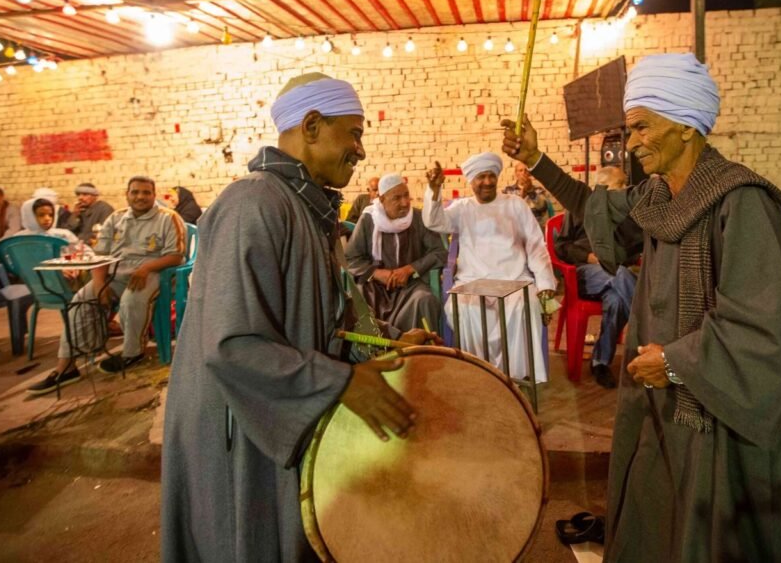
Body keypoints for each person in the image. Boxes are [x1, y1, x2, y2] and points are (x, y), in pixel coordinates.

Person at [502, 52, 781, 562]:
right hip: (662, 399)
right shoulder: (660, 197)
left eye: (641, 128)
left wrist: (675, 362)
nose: (631, 143)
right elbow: (597, 210)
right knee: (661, 513)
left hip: (718, 409)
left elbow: (768, 330)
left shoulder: (741, 202)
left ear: (686, 127)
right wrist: (538, 162)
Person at [161, 73, 437, 561]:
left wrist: (386, 342)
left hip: (274, 418)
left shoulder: (304, 208)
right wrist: (340, 383)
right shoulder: (253, 203)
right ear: (311, 125)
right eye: (354, 133)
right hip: (241, 430)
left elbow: (328, 311)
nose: (361, 150)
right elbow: (232, 346)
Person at [26, 176, 186, 396]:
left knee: (132, 300)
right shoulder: (116, 218)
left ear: (154, 194)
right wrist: (100, 283)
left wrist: (146, 268)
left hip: (154, 273)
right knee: (81, 300)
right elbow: (100, 255)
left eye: (146, 192)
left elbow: (176, 256)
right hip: (114, 275)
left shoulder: (169, 218)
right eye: (135, 192)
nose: (140, 197)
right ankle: (66, 366)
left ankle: (132, 352)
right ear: (127, 194)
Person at [423, 152, 557, 382]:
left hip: (514, 281)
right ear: (471, 181)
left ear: (497, 177)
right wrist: (434, 191)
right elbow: (434, 222)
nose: (486, 182)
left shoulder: (515, 205)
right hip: (472, 283)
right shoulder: (462, 208)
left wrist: (545, 283)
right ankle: (481, 375)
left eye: (490, 176)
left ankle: (514, 378)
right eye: (480, 177)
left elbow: (536, 245)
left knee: (526, 306)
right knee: (464, 309)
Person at [553, 166, 641, 389]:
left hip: (615, 280)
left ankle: (600, 362)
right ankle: (647, 323)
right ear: (601, 188)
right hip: (583, 274)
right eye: (620, 184)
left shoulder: (626, 216)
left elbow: (633, 252)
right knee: (620, 275)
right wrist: (589, 257)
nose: (626, 189)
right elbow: (561, 247)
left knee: (617, 301)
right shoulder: (580, 208)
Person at [344, 173, 447, 332]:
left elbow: (439, 252)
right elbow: (350, 258)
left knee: (425, 300)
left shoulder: (418, 218)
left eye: (406, 195)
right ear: (382, 199)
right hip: (374, 287)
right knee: (357, 303)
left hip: (409, 286)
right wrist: (377, 273)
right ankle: (375, 354)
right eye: (397, 198)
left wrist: (409, 269)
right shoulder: (368, 220)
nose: (405, 203)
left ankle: (421, 353)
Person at [502, 161, 552, 228]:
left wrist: (531, 191)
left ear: (529, 173)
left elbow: (543, 208)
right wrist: (521, 197)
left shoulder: (539, 190)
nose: (523, 173)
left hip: (535, 227)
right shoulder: (508, 191)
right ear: (516, 173)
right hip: (516, 228)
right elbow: (506, 212)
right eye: (520, 170)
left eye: (526, 170)